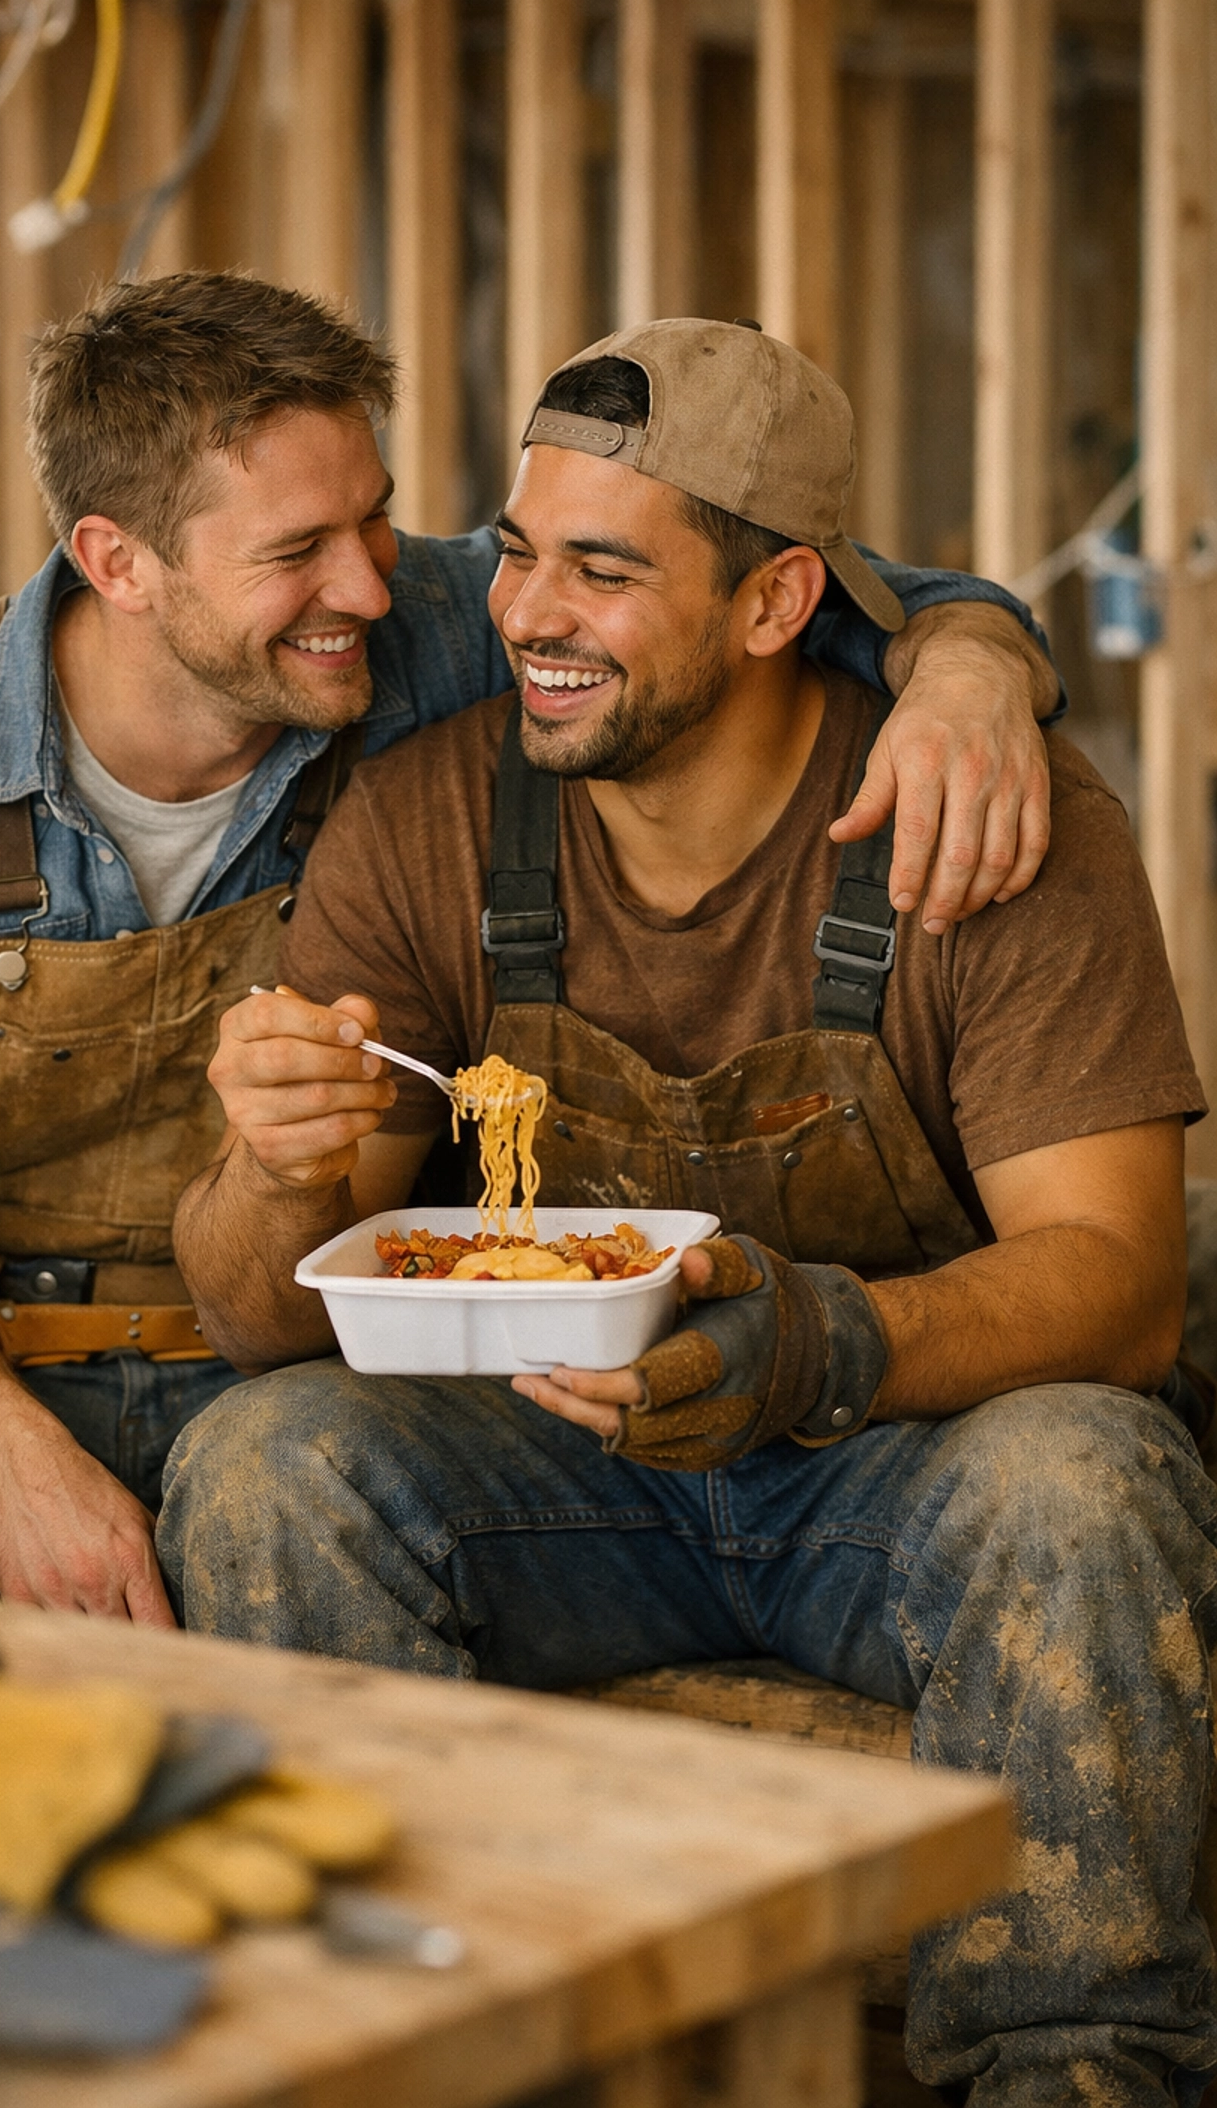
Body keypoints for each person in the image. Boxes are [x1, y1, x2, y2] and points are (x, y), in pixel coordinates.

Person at [171, 321, 1217, 2107]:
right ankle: (405, 2055)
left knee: (1088, 1480)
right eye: (514, 552)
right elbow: (264, 1317)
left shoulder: (975, 821)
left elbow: (1123, 1290)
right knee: (267, 1458)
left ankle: (1076, 2070)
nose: (527, 614)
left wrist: (824, 1337)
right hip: (560, 1476)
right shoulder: (431, 815)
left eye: (604, 567)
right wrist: (272, 1166)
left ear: (772, 600)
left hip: (894, 1471)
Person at [0, 276, 1056, 1632]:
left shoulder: (444, 626)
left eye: (379, 518)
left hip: (311, 1364)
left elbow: (783, 589)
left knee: (286, 1486)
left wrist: (973, 664)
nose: (366, 584)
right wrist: (12, 1462)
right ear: (117, 562)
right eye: (296, 553)